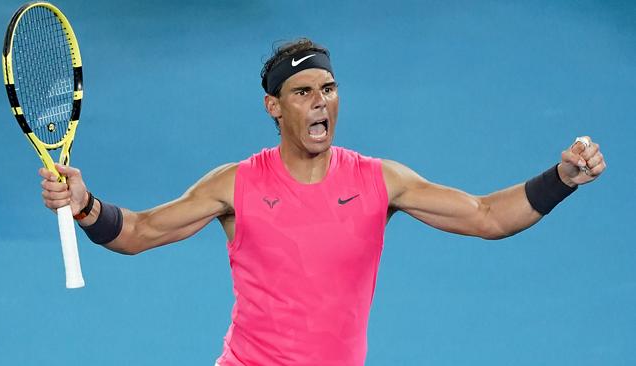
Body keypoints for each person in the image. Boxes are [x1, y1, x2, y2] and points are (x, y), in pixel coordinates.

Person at [40, 38, 606, 366]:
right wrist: (88, 206)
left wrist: (560, 178)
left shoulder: (380, 180)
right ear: (274, 108)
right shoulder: (234, 185)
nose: (320, 104)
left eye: (328, 89)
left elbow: (487, 217)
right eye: (302, 92)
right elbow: (140, 231)